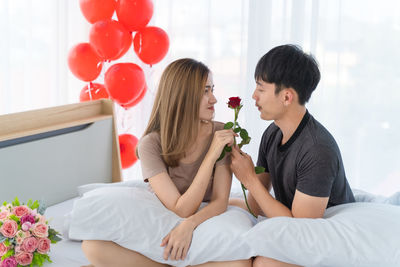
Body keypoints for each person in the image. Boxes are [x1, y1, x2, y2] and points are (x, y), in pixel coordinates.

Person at [81, 58, 251, 267]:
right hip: (171, 210)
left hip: (201, 214)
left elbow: (219, 202)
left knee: (240, 263)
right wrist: (210, 157)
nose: (214, 99)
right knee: (93, 247)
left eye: (212, 89)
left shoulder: (220, 133)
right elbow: (181, 209)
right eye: (205, 91)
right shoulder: (151, 144)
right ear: (182, 96)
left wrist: (189, 224)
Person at [229, 44, 355, 267]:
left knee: (264, 263)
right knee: (236, 255)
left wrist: (248, 179)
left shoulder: (318, 150)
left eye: (261, 88)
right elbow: (256, 203)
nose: (253, 96)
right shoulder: (273, 133)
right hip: (298, 225)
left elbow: (300, 229)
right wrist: (211, 200)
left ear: (286, 97)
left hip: (328, 237)